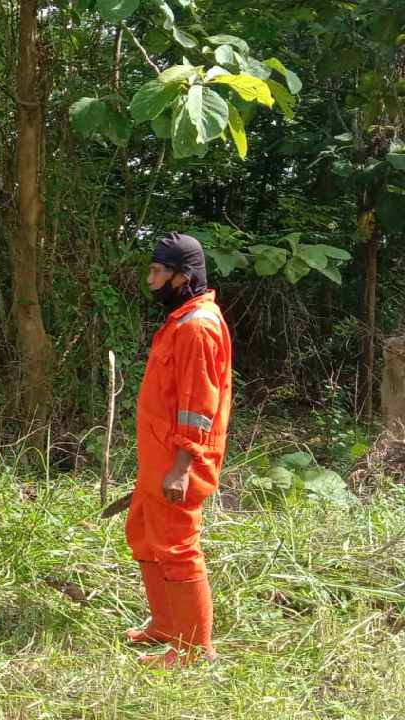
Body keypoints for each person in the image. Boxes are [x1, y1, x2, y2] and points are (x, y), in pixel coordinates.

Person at [124, 232, 232, 666]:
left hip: (178, 462)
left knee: (178, 547)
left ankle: (193, 650)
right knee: (145, 536)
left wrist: (182, 466)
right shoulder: (181, 320)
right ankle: (167, 627)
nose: (150, 281)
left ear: (182, 277)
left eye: (156, 272)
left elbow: (199, 406)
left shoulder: (198, 328)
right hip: (158, 458)